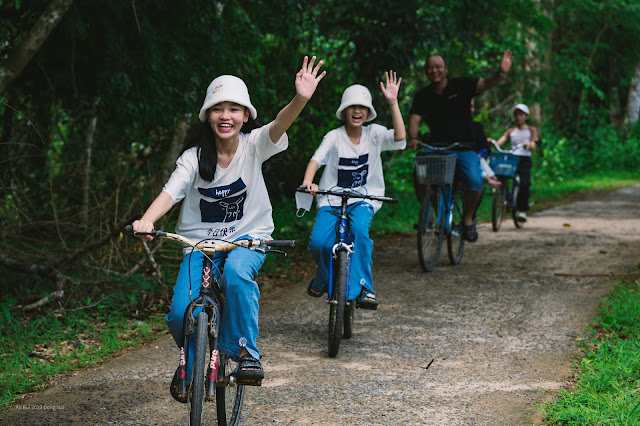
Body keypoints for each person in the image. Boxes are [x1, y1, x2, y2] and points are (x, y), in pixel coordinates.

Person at [132, 56, 326, 397]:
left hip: (248, 239)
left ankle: (245, 352)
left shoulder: (255, 145)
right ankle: (190, 362)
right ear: (208, 115)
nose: (226, 116)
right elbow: (171, 192)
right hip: (199, 246)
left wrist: (301, 98)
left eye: (235, 109)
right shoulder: (193, 157)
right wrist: (148, 219)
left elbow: (280, 123)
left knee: (237, 274)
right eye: (218, 109)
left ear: (246, 115)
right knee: (180, 314)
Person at [301, 71, 406, 309]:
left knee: (359, 232)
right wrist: (309, 182)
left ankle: (364, 286)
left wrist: (392, 102)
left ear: (368, 112)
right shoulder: (334, 137)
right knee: (319, 243)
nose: (357, 111)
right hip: (332, 199)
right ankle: (323, 276)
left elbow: (400, 137)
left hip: (364, 198)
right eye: (352, 107)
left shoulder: (376, 134)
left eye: (362, 107)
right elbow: (315, 160)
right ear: (343, 111)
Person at [407, 50, 513, 242]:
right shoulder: (423, 95)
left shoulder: (461, 85)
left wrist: (501, 73)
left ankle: (467, 220)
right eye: (430, 68)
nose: (434, 71)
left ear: (445, 69)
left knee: (474, 181)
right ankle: (429, 213)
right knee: (419, 171)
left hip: (464, 147)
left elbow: (486, 83)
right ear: (426, 72)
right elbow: (414, 118)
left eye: (438, 67)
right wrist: (413, 138)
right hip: (437, 147)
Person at [492, 103, 538, 222]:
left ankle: (521, 210)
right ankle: (506, 199)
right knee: (502, 177)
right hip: (512, 159)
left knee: (525, 184)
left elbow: (533, 144)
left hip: (524, 160)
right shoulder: (511, 131)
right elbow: (500, 141)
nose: (518, 117)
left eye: (521, 115)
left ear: (526, 116)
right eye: (516, 115)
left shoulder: (531, 130)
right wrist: (493, 143)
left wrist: (529, 145)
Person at [470, 98, 501, 189]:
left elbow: (485, 148)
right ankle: (489, 178)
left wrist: (480, 154)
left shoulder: (476, 127)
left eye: (471, 106)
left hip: (476, 159)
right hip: (469, 159)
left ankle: (490, 177)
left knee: (476, 159)